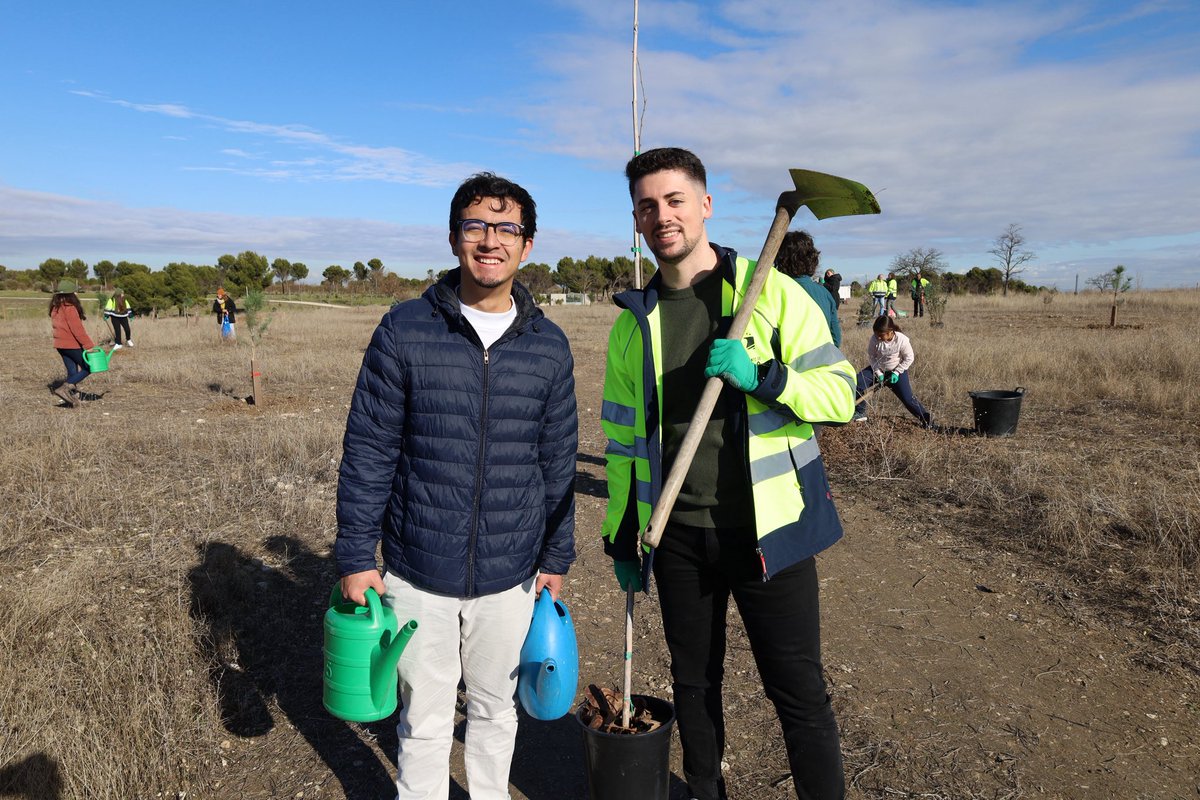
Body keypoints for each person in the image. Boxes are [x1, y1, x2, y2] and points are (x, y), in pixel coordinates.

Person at [602, 147, 854, 800]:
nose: (664, 216)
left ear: (705, 205)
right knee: (693, 687)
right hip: (680, 535)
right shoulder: (635, 323)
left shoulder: (772, 295)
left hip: (769, 531)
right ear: (636, 219)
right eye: (648, 206)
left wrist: (765, 376)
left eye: (676, 200)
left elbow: (840, 396)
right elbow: (626, 442)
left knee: (797, 694)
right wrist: (622, 532)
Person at [335, 172, 577, 800]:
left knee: (498, 709)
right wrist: (358, 557)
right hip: (418, 570)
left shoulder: (549, 346)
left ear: (527, 245)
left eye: (506, 229)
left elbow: (557, 460)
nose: (490, 241)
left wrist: (556, 556)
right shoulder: (404, 329)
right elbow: (369, 449)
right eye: (476, 226)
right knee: (424, 717)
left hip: (511, 573)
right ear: (453, 238)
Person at [851, 315, 932, 427]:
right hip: (879, 370)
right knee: (856, 382)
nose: (878, 337)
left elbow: (909, 358)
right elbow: (872, 357)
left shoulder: (901, 340)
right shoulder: (874, 339)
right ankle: (860, 413)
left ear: (890, 331)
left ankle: (927, 421)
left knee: (908, 399)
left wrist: (897, 372)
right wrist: (878, 373)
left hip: (896, 371)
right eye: (876, 334)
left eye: (881, 335)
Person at [774, 230, 841, 347]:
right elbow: (836, 340)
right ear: (812, 259)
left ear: (780, 258)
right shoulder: (825, 294)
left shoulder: (773, 291)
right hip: (824, 360)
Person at [49, 279, 96, 408]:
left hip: (60, 345)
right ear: (70, 294)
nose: (77, 294)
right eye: (75, 292)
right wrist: (89, 346)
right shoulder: (70, 308)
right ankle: (64, 389)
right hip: (71, 344)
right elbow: (77, 330)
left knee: (72, 372)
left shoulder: (55, 307)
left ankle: (72, 399)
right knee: (89, 367)